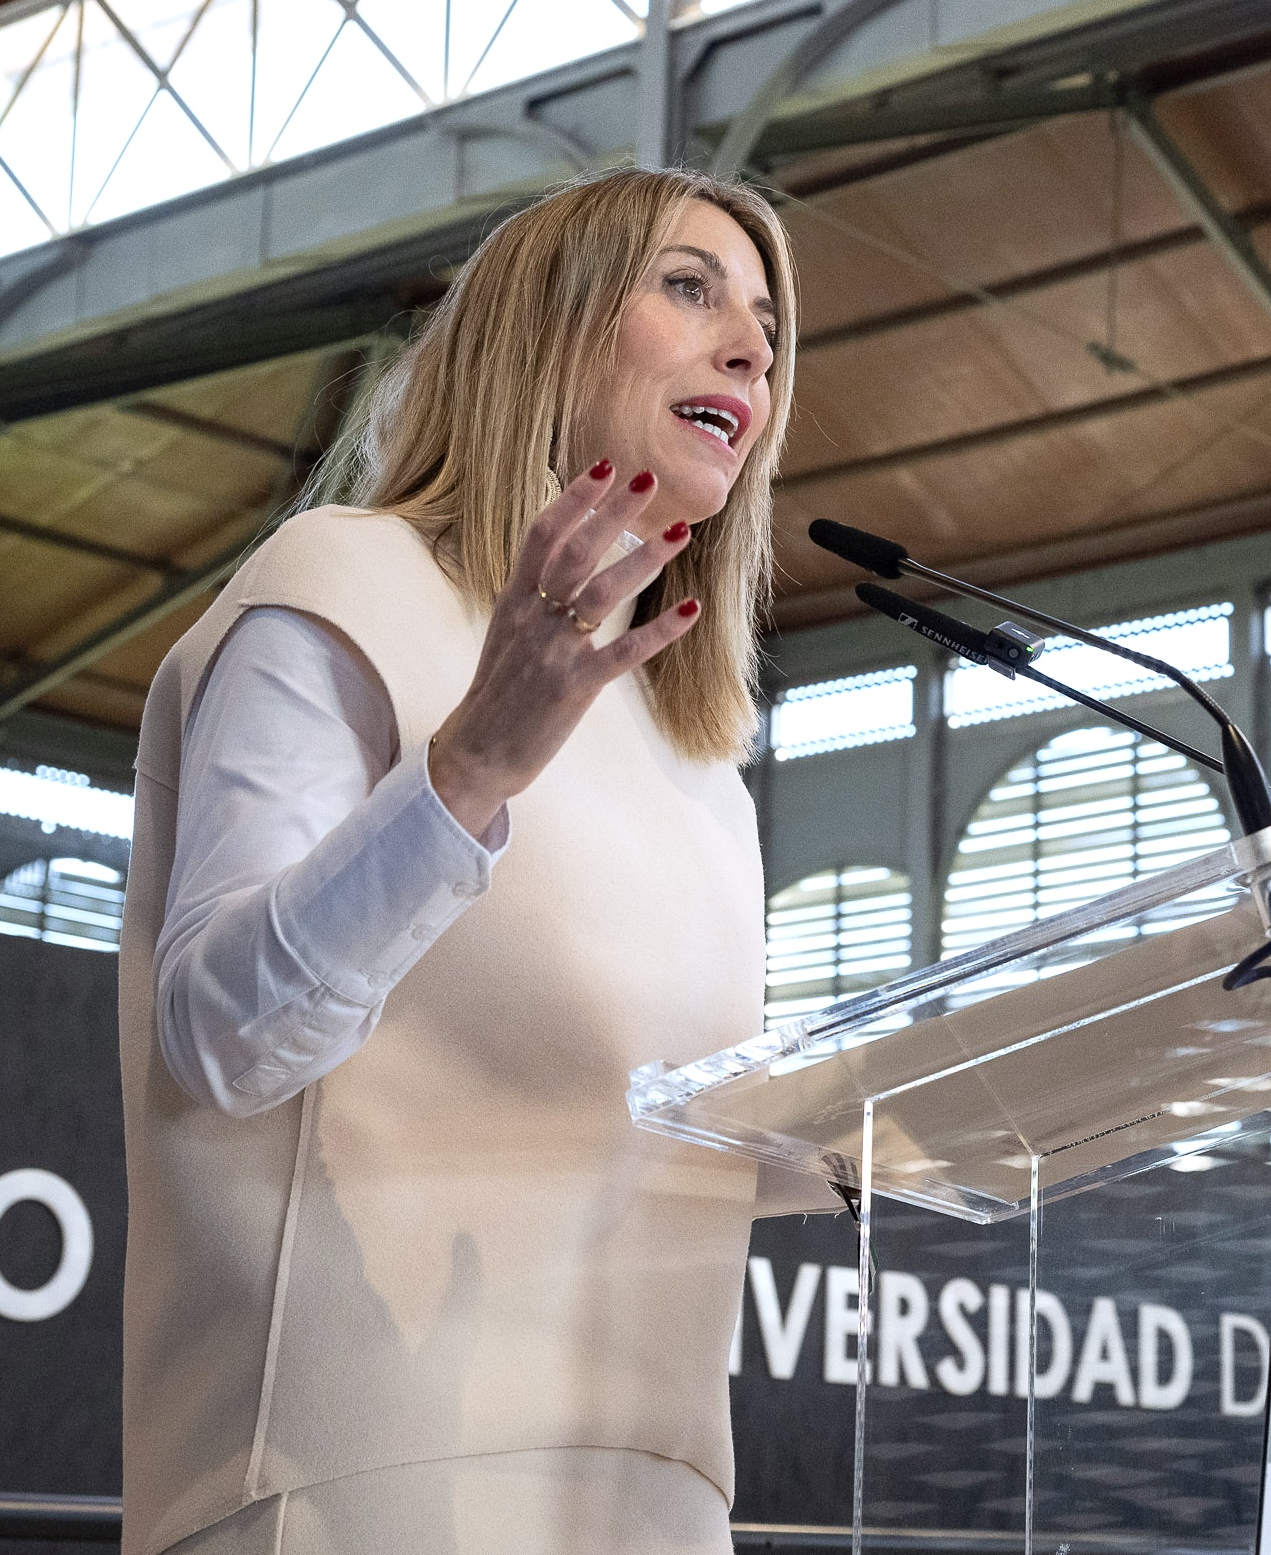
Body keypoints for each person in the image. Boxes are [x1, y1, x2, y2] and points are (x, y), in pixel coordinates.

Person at [115, 167, 834, 1555]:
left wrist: (922, 1117)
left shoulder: (699, 756)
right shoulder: (336, 583)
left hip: (651, 1491)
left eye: (765, 321)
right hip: (357, 1474)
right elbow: (221, 1033)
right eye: (688, 289)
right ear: (543, 328)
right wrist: (472, 770)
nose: (751, 344)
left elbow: (665, 1124)